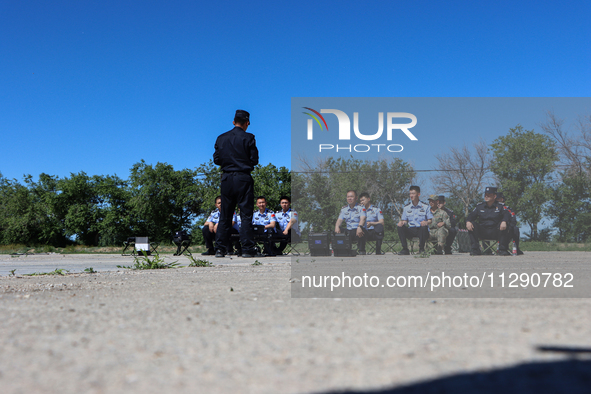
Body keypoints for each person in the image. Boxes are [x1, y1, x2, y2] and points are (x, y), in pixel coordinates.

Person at [213, 110, 259, 258]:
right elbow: (254, 160)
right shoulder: (249, 138)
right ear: (247, 123)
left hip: (226, 179)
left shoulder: (221, 138)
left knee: (225, 215)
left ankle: (220, 249)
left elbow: (217, 159)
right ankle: (247, 249)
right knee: (245, 215)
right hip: (243, 178)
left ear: (233, 122)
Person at [466, 186, 511, 256]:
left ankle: (502, 249)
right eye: (485, 195)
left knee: (504, 224)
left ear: (494, 196)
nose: (486, 196)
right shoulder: (479, 206)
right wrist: (468, 221)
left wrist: (504, 221)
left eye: (489, 195)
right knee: (472, 224)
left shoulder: (500, 206)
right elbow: (471, 215)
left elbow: (507, 215)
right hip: (483, 231)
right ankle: (475, 249)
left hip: (496, 231)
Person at [397, 186, 432, 255]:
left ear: (418, 194)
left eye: (413, 193)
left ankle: (421, 249)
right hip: (411, 229)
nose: (411, 196)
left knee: (423, 227)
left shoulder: (425, 206)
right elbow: (405, 221)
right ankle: (405, 249)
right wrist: (402, 222)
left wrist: (426, 222)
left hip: (422, 230)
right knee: (400, 227)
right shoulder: (407, 207)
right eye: (410, 194)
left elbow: (430, 220)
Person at [334, 190, 367, 255]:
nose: (349, 198)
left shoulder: (361, 207)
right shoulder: (344, 209)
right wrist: (337, 226)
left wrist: (359, 226)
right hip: (348, 230)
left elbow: (363, 218)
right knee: (336, 230)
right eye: (348, 197)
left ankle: (361, 250)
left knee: (362, 230)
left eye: (351, 196)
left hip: (357, 230)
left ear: (356, 198)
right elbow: (339, 220)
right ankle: (338, 250)